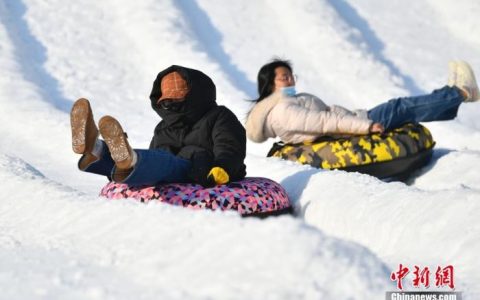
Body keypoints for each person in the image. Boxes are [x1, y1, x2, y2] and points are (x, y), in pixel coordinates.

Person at [71, 65, 246, 187]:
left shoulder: (218, 116)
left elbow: (230, 146)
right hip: (165, 173)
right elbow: (154, 154)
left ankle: (128, 158)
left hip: (201, 172)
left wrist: (223, 166)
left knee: (163, 162)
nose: (170, 105)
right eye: (167, 101)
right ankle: (96, 148)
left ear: (196, 95)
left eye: (177, 99)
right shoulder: (164, 126)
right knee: (146, 161)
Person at [246, 59, 479, 145]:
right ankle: (462, 92)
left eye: (291, 76)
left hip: (356, 120)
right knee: (402, 107)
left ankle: (451, 93)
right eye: (284, 77)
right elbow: (325, 121)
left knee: (403, 107)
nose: (290, 80)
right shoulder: (282, 110)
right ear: (270, 85)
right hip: (355, 127)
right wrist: (366, 126)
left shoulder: (286, 104)